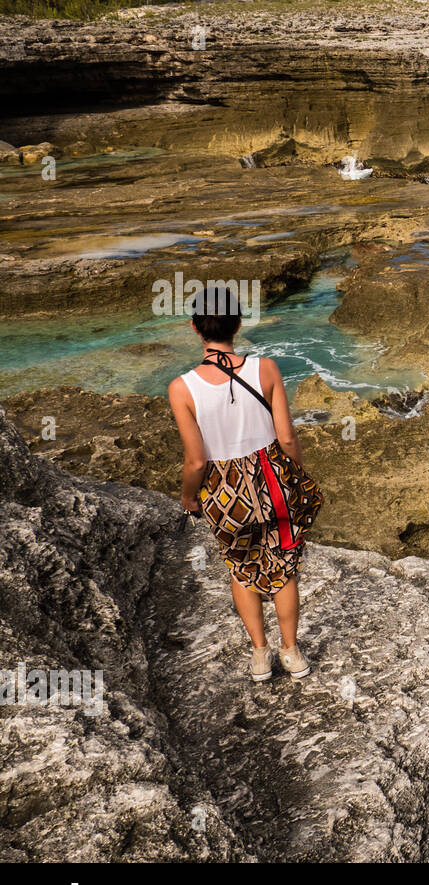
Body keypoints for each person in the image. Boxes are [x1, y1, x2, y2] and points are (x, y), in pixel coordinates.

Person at [167, 287, 314, 682]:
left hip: (224, 489)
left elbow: (196, 460)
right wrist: (295, 476)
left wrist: (187, 498)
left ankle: (260, 656)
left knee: (241, 569)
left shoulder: (182, 388)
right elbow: (286, 438)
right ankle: (292, 652)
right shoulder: (265, 368)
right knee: (283, 568)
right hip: (272, 479)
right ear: (238, 324)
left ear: (196, 329)